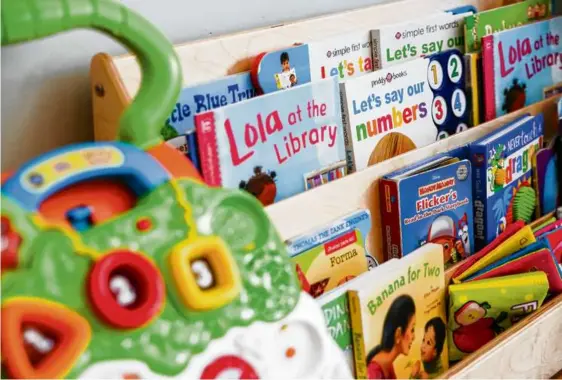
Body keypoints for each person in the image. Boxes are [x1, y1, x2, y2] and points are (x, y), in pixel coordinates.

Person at [366, 294, 416, 379]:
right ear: (398, 334)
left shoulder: (388, 365)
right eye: (412, 330)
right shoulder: (373, 371)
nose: (413, 337)